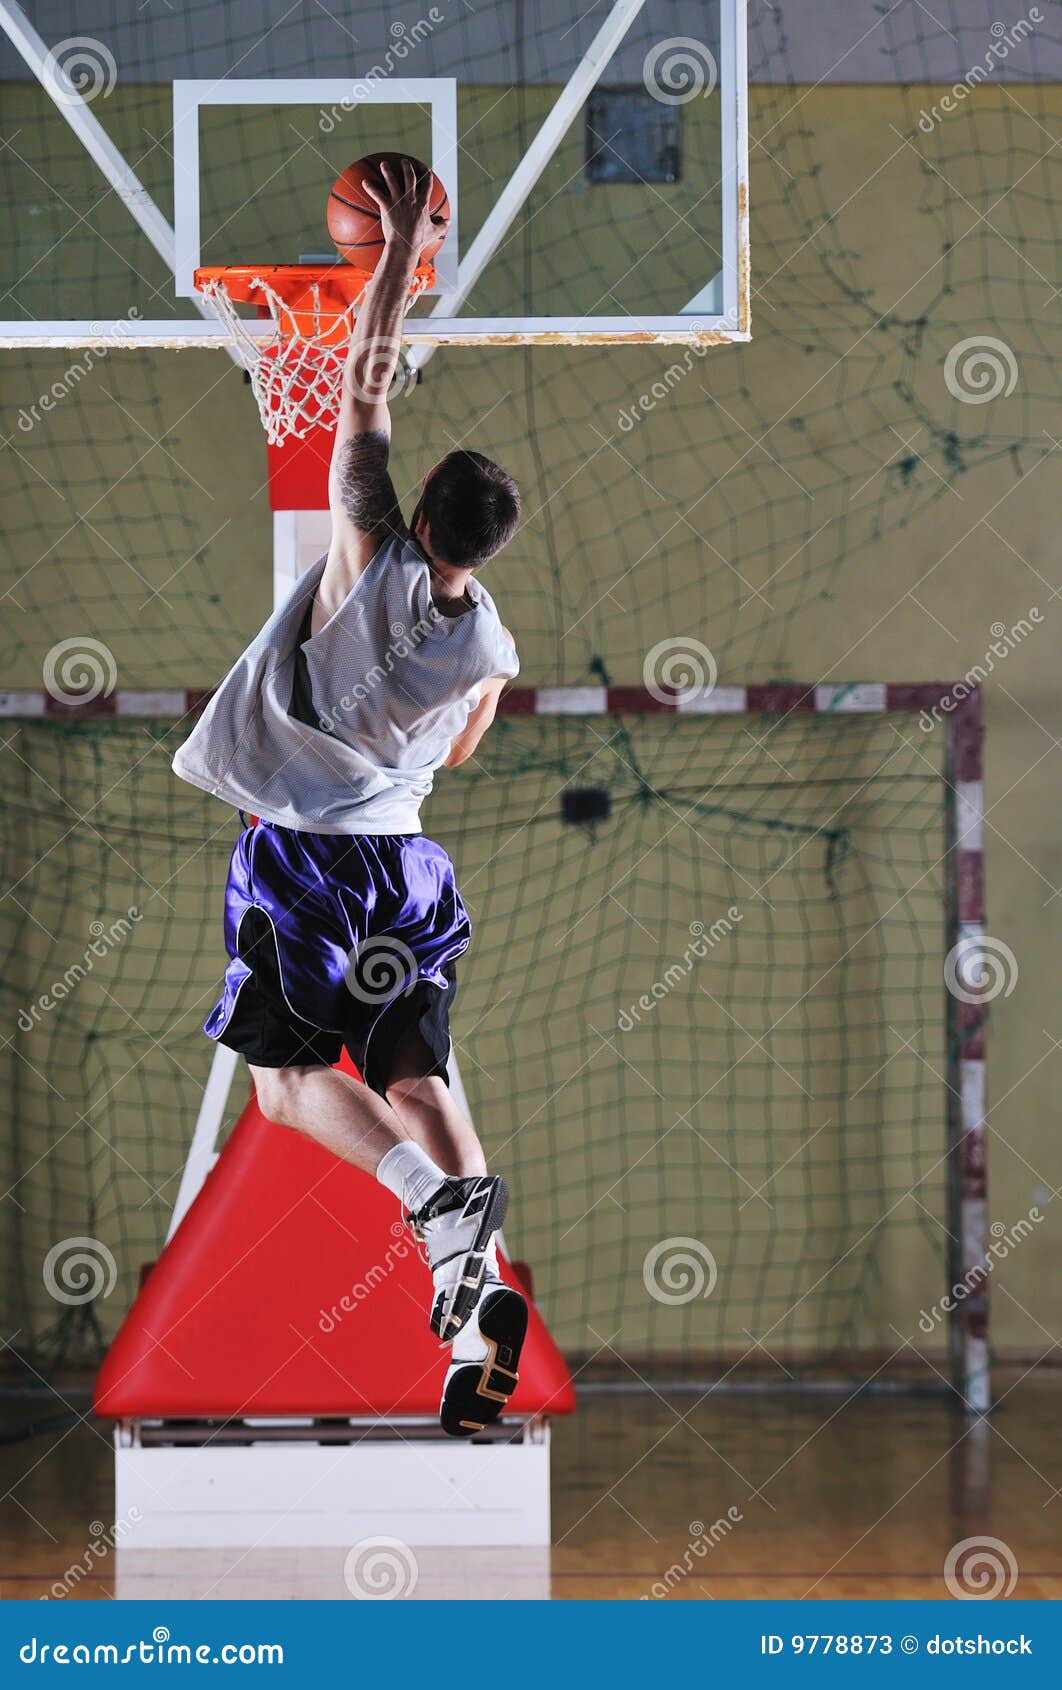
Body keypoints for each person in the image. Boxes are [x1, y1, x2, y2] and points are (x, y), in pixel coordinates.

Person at [173, 157, 525, 1437]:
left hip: (306, 861)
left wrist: (390, 258)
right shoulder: (489, 648)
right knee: (424, 1074)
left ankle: (428, 1206)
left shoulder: (366, 544)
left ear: (419, 509)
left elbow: (367, 383)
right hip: (410, 868)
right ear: (489, 549)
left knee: (279, 1084)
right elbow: (464, 750)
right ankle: (477, 1284)